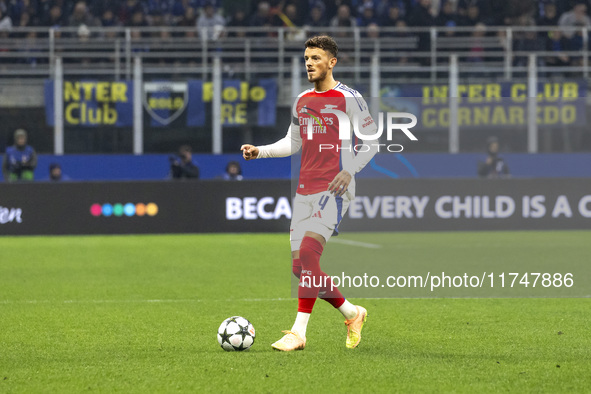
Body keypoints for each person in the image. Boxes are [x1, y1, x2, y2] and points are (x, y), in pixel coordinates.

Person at [241, 36, 378, 351]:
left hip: (334, 187)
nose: (309, 64)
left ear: (332, 62)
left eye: (316, 58)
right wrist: (259, 151)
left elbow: (372, 142)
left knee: (308, 256)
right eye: (306, 58)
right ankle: (352, 313)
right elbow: (294, 142)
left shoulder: (350, 98)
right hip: (304, 190)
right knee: (301, 269)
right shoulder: (301, 100)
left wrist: (349, 170)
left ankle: (298, 333)